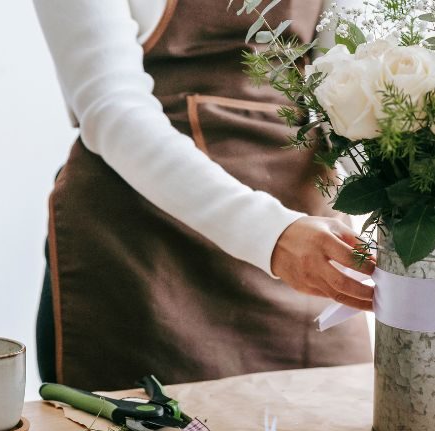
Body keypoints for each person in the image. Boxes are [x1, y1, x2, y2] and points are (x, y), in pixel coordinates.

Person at [32, 0, 372, 391]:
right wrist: (272, 235)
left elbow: (350, 97)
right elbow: (110, 108)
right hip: (142, 257)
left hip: (309, 251)